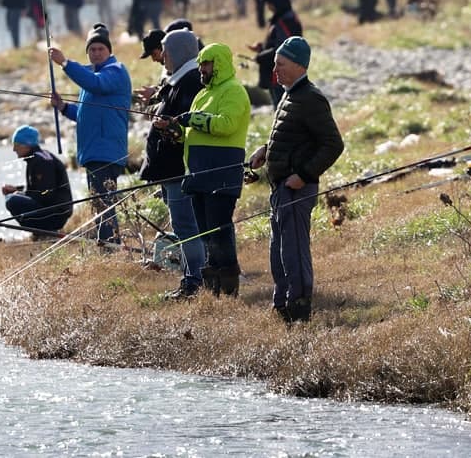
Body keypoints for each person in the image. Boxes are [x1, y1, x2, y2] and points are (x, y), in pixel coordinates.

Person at [249, 37, 344, 323]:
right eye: (275, 64)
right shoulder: (288, 95)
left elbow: (333, 144)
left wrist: (303, 176)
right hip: (279, 189)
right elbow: (291, 137)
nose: (275, 70)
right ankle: (282, 305)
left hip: (296, 190)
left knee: (294, 251)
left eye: (281, 64)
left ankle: (299, 307)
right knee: (278, 251)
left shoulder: (311, 98)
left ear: (300, 65)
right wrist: (265, 151)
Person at [155, 43, 251, 296]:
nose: (201, 69)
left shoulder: (234, 91)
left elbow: (227, 125)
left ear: (218, 64)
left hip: (222, 173)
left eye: (206, 64)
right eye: (200, 64)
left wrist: (192, 119)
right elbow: (189, 134)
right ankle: (212, 289)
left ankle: (229, 288)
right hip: (198, 173)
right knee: (205, 233)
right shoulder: (201, 95)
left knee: (219, 229)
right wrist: (174, 131)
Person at [49, 24, 132, 243]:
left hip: (106, 150)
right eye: (92, 50)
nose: (95, 53)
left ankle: (110, 246)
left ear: (109, 51)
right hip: (94, 151)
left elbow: (96, 84)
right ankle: (108, 243)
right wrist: (63, 107)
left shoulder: (115, 71)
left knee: (102, 202)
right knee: (99, 201)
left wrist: (65, 63)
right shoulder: (92, 77)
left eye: (100, 49)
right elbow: (85, 113)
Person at [139, 29, 205, 298]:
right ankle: (194, 277)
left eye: (165, 50)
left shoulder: (190, 81)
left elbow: (188, 123)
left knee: (186, 227)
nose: (161, 55)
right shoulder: (178, 79)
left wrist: (170, 127)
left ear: (178, 52)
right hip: (170, 170)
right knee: (184, 226)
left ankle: (195, 280)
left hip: (180, 169)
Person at [2, 125, 74, 236]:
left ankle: (44, 232)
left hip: (56, 214)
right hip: (55, 210)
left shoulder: (41, 162)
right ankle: (41, 232)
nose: (14, 149)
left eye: (17, 145)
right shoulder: (37, 157)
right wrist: (16, 189)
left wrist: (18, 194)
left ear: (27, 145)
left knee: (11, 201)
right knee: (12, 196)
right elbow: (38, 188)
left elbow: (45, 195)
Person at [248, 0, 303, 106]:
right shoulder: (282, 18)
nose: (268, 7)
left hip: (282, 74)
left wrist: (261, 57)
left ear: (277, 3)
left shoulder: (285, 21)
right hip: (280, 72)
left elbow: (283, 49)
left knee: (282, 109)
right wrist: (262, 47)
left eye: (270, 4)